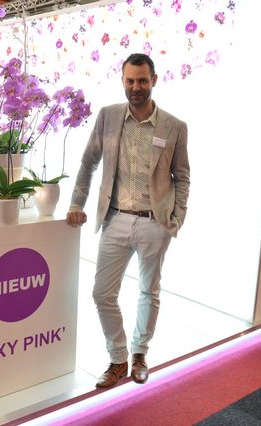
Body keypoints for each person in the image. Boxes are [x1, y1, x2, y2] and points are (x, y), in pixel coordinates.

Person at [66, 53, 190, 388]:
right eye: (130, 80)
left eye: (142, 80)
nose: (136, 87)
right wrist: (77, 203)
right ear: (123, 81)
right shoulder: (108, 117)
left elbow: (182, 177)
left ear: (154, 81)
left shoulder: (175, 127)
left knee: (149, 291)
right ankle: (118, 358)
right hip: (116, 219)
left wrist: (175, 219)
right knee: (102, 293)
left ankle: (139, 355)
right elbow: (88, 162)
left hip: (154, 223)